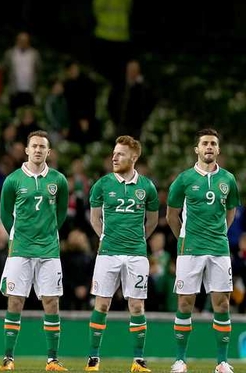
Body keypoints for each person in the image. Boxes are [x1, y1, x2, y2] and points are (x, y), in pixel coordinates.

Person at [167, 129, 240, 373]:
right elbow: (171, 215)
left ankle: (222, 362)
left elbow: (231, 211)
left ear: (218, 149)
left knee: (222, 304)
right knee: (185, 303)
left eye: (213, 143)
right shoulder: (184, 179)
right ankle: (180, 360)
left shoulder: (228, 179)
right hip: (190, 249)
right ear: (196, 149)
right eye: (205, 143)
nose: (209, 147)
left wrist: (219, 233)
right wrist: (183, 239)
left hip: (219, 249)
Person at [84, 136, 158, 373]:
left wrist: (138, 240)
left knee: (137, 306)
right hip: (108, 253)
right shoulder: (102, 184)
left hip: (137, 254)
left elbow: (153, 220)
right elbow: (95, 218)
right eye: (114, 153)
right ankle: (93, 358)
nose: (114, 157)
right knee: (102, 304)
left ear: (133, 157)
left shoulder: (147, 187)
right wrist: (105, 238)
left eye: (120, 154)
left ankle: (138, 360)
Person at [0, 130, 69, 371]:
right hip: (20, 250)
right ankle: (8, 358)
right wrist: (20, 236)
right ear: (26, 150)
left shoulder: (59, 180)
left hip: (49, 250)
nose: (38, 150)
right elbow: (5, 215)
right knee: (15, 301)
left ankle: (52, 359)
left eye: (42, 147)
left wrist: (47, 233)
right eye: (34, 146)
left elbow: (61, 213)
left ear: (49, 151)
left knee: (51, 302)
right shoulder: (13, 180)